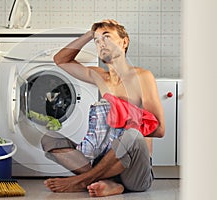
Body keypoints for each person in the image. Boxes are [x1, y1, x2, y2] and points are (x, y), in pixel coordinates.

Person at [41, 19, 165, 197]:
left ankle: (82, 181)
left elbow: (159, 129)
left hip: (134, 170)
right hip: (102, 161)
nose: (101, 43)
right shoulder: (99, 76)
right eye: (97, 41)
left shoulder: (142, 77)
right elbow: (60, 59)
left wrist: (125, 118)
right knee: (49, 138)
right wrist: (89, 34)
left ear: (124, 42)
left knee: (132, 135)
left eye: (106, 37)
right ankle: (110, 183)